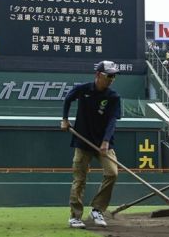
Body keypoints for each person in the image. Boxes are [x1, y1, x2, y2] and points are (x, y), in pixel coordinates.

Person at [61, 60, 121, 229]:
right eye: (108, 75)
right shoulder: (83, 89)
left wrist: (105, 142)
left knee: (112, 173)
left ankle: (97, 209)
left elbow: (112, 121)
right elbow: (68, 99)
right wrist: (65, 119)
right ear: (98, 75)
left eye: (114, 76)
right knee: (79, 179)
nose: (111, 79)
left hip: (104, 143)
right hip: (82, 141)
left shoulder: (113, 97)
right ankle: (75, 216)